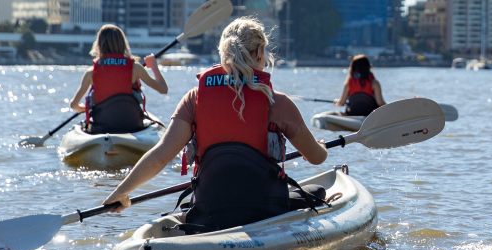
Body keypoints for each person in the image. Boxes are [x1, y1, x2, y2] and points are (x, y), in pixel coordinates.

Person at [103, 18, 330, 233]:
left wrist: (121, 192)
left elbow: (160, 156)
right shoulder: (277, 102)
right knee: (319, 191)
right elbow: (317, 157)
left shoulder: (194, 98)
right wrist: (320, 146)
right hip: (265, 211)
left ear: (223, 54)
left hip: (210, 210)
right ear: (260, 51)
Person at [68, 24, 168, 134]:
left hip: (102, 125)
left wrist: (84, 109)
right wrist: (154, 66)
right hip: (132, 124)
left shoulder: (91, 72)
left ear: (99, 45)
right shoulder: (135, 68)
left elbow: (74, 105)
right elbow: (163, 89)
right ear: (123, 44)